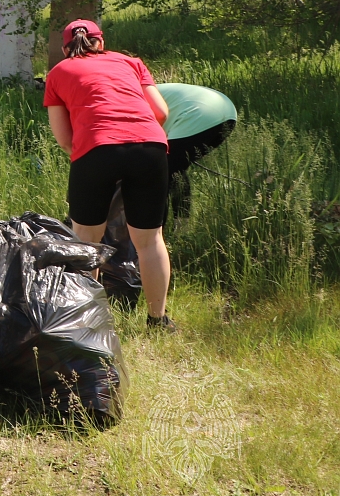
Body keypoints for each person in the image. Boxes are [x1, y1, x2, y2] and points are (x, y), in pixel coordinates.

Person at [43, 19, 176, 332]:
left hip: (96, 149)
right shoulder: (130, 62)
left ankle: (91, 324)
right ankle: (158, 320)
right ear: (100, 42)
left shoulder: (59, 72)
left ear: (66, 48)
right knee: (150, 239)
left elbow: (64, 138)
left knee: (87, 242)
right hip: (150, 147)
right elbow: (161, 113)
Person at [155, 83, 237, 219]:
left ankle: (154, 235)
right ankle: (181, 227)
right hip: (226, 111)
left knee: (159, 175)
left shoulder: (120, 101)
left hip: (197, 113)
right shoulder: (133, 91)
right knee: (175, 170)